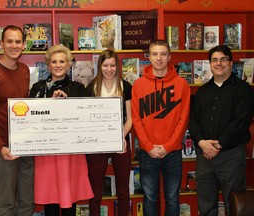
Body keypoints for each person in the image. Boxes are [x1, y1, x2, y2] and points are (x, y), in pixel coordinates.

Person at [188, 45, 254, 216]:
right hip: (205, 156)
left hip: (230, 156)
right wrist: (202, 143)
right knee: (206, 205)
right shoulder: (202, 91)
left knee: (234, 205)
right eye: (215, 60)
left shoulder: (243, 90)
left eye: (223, 59)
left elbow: (240, 123)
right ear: (210, 64)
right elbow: (193, 122)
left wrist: (217, 146)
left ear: (231, 63)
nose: (219, 63)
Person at [29, 45, 93, 216]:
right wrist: (51, 102)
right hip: (47, 153)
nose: (58, 65)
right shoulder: (37, 88)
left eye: (62, 61)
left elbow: (85, 117)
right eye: (54, 62)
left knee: (69, 200)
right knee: (50, 200)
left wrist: (68, 103)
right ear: (48, 65)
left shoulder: (78, 88)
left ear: (68, 65)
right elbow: (30, 118)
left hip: (71, 153)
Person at [0, 25, 35, 216]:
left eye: (18, 41)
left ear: (24, 45)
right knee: (6, 203)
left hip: (25, 145)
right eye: (9, 41)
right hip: (3, 147)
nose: (14, 45)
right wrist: (1, 147)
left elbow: (26, 107)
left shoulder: (25, 71)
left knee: (27, 201)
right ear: (1, 43)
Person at [131, 39, 191, 216]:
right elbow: (136, 119)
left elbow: (183, 119)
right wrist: (149, 147)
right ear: (148, 57)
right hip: (147, 153)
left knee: (172, 198)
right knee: (150, 198)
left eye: (163, 54)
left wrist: (168, 146)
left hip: (172, 153)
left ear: (169, 57)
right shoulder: (139, 85)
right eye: (155, 54)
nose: (159, 58)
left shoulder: (181, 84)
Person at [86, 49, 132, 216]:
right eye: (105, 65)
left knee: (123, 191)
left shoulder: (125, 86)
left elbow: (131, 118)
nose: (109, 69)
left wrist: (120, 137)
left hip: (121, 142)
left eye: (112, 65)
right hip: (97, 144)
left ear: (117, 66)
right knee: (95, 192)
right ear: (100, 66)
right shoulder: (91, 87)